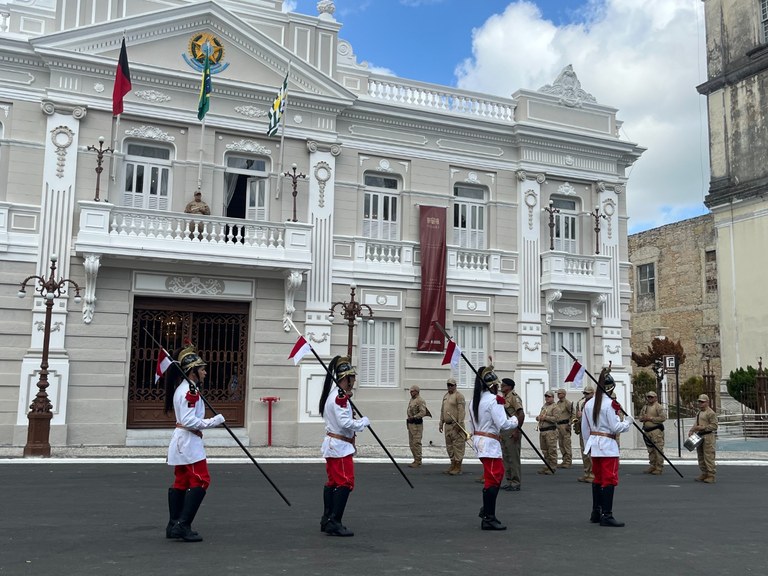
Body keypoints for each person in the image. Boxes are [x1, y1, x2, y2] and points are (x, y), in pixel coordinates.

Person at [164, 341, 226, 542]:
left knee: (181, 481)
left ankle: (174, 524)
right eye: (202, 369)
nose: (205, 373)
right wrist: (214, 421)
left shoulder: (184, 388)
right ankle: (183, 525)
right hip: (189, 442)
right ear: (192, 372)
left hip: (181, 440)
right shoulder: (190, 391)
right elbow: (189, 421)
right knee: (201, 479)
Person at [319, 355, 371, 537]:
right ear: (346, 378)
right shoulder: (339, 397)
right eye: (353, 378)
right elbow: (344, 423)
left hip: (334, 445)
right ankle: (335, 521)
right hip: (340, 446)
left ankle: (327, 519)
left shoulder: (334, 395)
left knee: (333, 482)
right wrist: (362, 423)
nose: (354, 381)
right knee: (346, 482)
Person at [581, 367, 633, 527]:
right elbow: (615, 427)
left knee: (597, 479)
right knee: (609, 479)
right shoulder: (609, 404)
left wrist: (587, 445)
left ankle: (596, 511)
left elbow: (585, 428)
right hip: (608, 446)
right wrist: (628, 422)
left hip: (594, 445)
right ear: (611, 387)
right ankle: (607, 515)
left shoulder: (589, 403)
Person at [469, 365, 518, 530]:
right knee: (495, 476)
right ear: (492, 385)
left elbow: (471, 424)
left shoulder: (474, 401)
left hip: (479, 440)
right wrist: (515, 421)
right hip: (490, 443)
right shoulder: (493, 400)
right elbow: (503, 424)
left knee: (492, 476)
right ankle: (488, 517)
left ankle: (487, 511)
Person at [499, 378, 525, 491]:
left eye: (503, 385)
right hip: (504, 430)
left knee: (513, 457)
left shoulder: (514, 397)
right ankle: (509, 480)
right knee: (506, 457)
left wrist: (517, 430)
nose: (501, 386)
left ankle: (516, 482)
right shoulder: (503, 398)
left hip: (512, 430)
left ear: (509, 387)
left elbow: (521, 414)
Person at [439, 377, 467, 475]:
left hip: (456, 425)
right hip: (447, 425)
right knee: (449, 446)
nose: (449, 387)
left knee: (458, 445)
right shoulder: (445, 396)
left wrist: (459, 423)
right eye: (448, 385)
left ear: (455, 385)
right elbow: (442, 410)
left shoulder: (459, 396)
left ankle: (458, 466)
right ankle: (452, 464)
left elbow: (461, 410)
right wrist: (441, 423)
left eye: (451, 385)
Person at [689, 393, 718, 483]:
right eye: (699, 402)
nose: (700, 403)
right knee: (700, 455)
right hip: (700, 435)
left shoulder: (711, 413)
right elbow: (696, 423)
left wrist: (704, 427)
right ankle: (704, 472)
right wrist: (692, 430)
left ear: (707, 402)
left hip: (708, 436)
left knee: (708, 456)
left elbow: (714, 426)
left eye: (702, 402)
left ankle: (711, 474)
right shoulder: (699, 412)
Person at [639, 390, 667, 475]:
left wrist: (651, 419)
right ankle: (652, 465)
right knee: (650, 450)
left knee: (658, 450)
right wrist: (644, 418)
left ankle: (659, 467)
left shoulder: (658, 407)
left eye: (651, 397)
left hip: (656, 431)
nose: (649, 398)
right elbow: (640, 417)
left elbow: (663, 418)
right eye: (648, 397)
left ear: (655, 398)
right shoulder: (645, 407)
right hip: (647, 431)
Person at [574, 384, 595, 482]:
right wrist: (578, 418)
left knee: (591, 452)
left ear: (592, 393)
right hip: (583, 430)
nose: (585, 395)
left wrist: (583, 415)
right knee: (584, 452)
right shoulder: (583, 404)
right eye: (584, 393)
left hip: (591, 431)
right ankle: (586, 472)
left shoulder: (594, 404)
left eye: (587, 393)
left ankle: (593, 474)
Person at [406, 384, 430, 468]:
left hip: (417, 424)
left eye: (412, 391)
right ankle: (415, 459)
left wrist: (414, 417)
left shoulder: (420, 400)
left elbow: (423, 412)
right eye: (410, 391)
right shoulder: (412, 400)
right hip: (411, 424)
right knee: (411, 443)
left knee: (416, 443)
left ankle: (418, 460)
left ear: (417, 391)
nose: (411, 392)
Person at [535, 390, 558, 475]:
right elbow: (541, 416)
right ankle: (547, 465)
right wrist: (538, 418)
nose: (547, 398)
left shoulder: (555, 407)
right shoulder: (544, 406)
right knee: (545, 450)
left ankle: (552, 467)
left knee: (551, 450)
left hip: (550, 431)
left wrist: (545, 418)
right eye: (546, 396)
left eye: (549, 396)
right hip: (543, 431)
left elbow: (556, 419)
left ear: (552, 397)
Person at [555, 388, 574, 468]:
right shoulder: (558, 403)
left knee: (566, 444)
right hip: (558, 425)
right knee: (561, 444)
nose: (558, 395)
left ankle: (568, 461)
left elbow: (573, 414)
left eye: (559, 393)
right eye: (558, 393)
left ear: (564, 394)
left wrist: (569, 424)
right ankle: (564, 460)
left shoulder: (568, 403)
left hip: (565, 425)